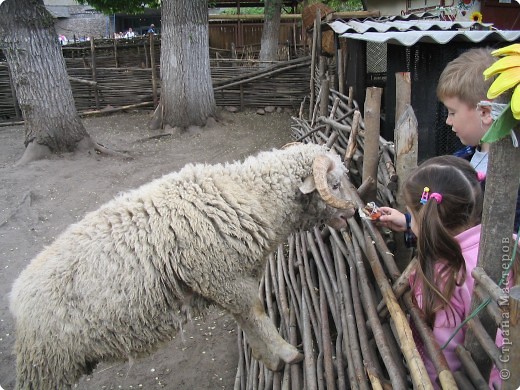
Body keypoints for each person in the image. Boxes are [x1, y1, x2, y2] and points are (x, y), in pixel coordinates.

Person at [381, 156, 484, 386]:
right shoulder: (508, 242)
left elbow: (443, 353)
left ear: (426, 218)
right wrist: (409, 222)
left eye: (412, 215)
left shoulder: (446, 276)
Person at [436, 47, 519, 231]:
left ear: (485, 112)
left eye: (452, 112)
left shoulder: (513, 174)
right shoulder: (461, 160)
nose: (448, 121)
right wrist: (409, 222)